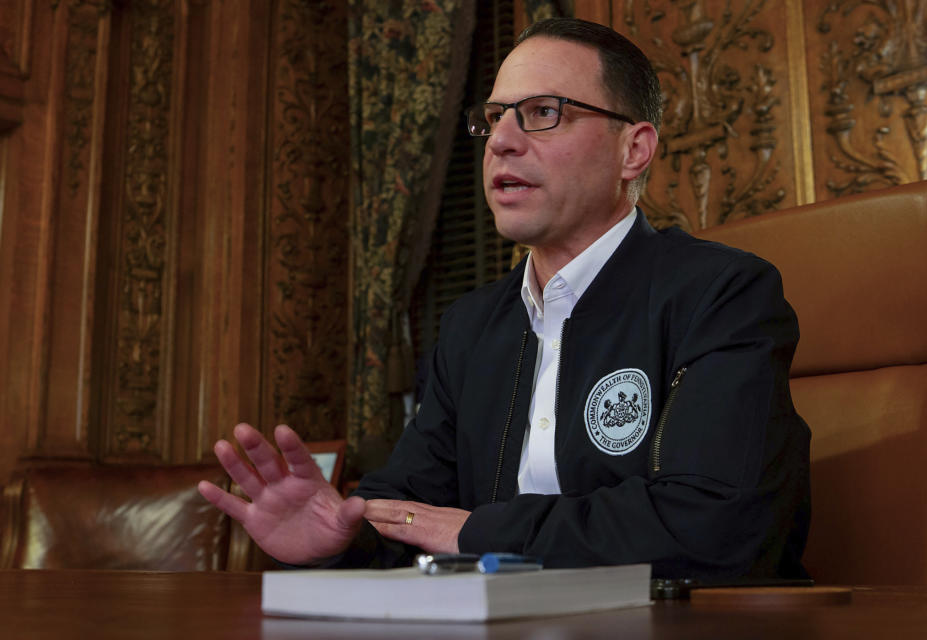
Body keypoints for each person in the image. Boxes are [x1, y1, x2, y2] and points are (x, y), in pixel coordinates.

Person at [198, 17, 810, 579]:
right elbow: (409, 514)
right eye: (493, 118)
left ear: (634, 149)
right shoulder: (470, 327)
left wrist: (480, 532)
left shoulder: (722, 294)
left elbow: (712, 525)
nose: (501, 142)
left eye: (543, 112)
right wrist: (338, 538)